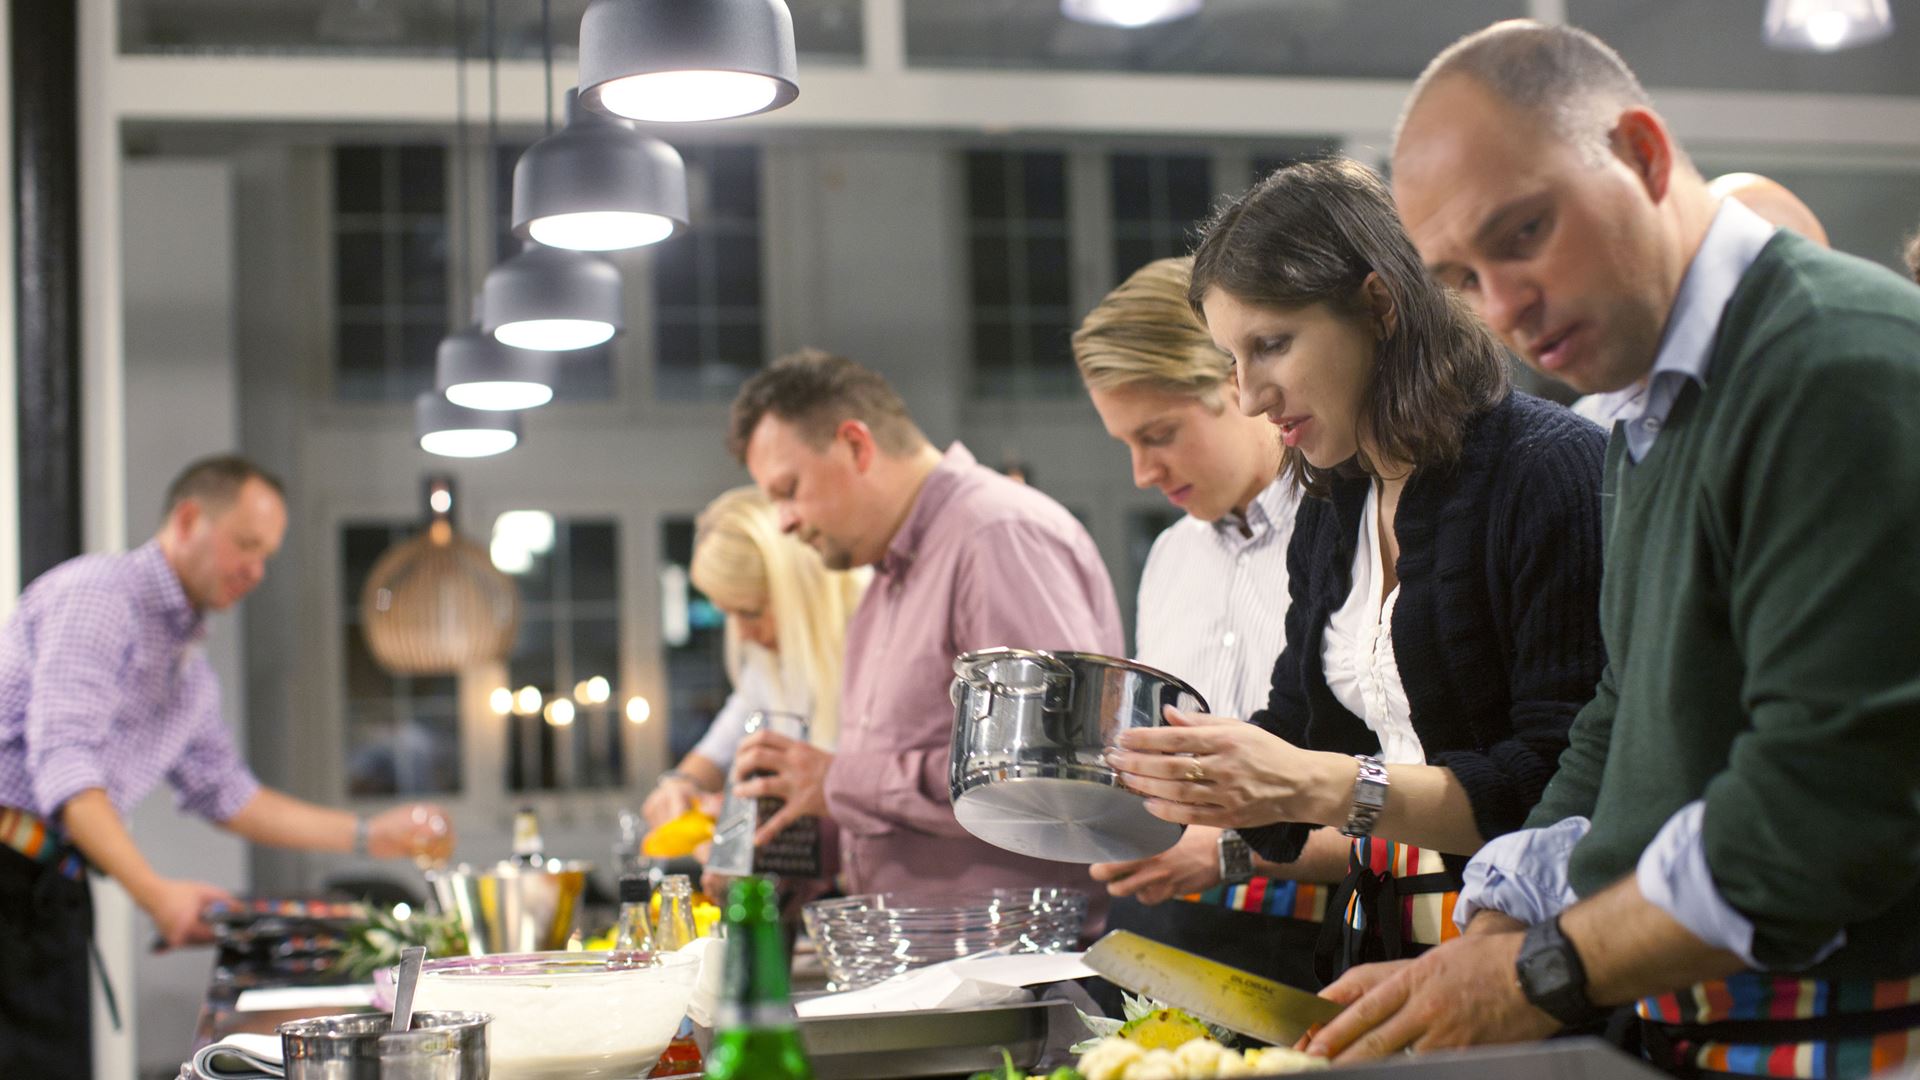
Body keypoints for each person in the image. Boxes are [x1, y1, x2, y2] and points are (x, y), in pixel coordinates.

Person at [1307, 22, 1920, 1076]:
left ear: (1640, 151)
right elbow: (1622, 713)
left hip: (1841, 1028)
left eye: (1526, 232)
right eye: (1459, 277)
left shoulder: (1831, 364)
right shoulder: (1651, 406)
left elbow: (1823, 810)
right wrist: (1497, 928)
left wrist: (1538, 973)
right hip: (1699, 1016)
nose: (1502, 307)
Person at [1102, 158, 1607, 985]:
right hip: (1378, 945)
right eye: (1233, 360)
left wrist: (1318, 783)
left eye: (1271, 346)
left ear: (1378, 305)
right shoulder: (1338, 507)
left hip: (1528, 959)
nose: (1253, 396)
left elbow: (1560, 786)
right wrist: (1181, 768)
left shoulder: (1550, 470)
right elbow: (1299, 725)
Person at [0, 455, 456, 1074]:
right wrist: (157, 894)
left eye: (266, 553)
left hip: (49, 889)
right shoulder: (99, 597)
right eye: (246, 545)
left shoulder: (188, 668)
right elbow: (65, 767)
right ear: (188, 520)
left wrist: (371, 834)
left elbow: (229, 794)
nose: (256, 570)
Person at [724, 348, 1124, 907]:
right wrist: (786, 845)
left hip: (1016, 970)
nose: (785, 522)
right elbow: (902, 808)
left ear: (856, 446)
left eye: (789, 490)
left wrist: (838, 783)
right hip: (937, 965)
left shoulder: (995, 535)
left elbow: (1044, 780)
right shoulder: (885, 582)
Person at [1072, 256, 1342, 991]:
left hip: (1317, 935)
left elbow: (1395, 786)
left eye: (1158, 433)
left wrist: (1225, 850)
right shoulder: (1168, 558)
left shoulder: (1346, 529)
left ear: (1236, 382)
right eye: (1125, 443)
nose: (1141, 472)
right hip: (1165, 925)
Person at [642, 486, 867, 828]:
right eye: (728, 616)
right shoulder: (771, 665)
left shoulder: (870, 645)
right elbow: (718, 752)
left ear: (800, 591)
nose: (743, 634)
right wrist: (681, 786)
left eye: (749, 612)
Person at [1576, 172, 1828, 427]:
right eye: (1731, 270)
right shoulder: (1605, 424)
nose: (1762, 305)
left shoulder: (1829, 403)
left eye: (1791, 284)